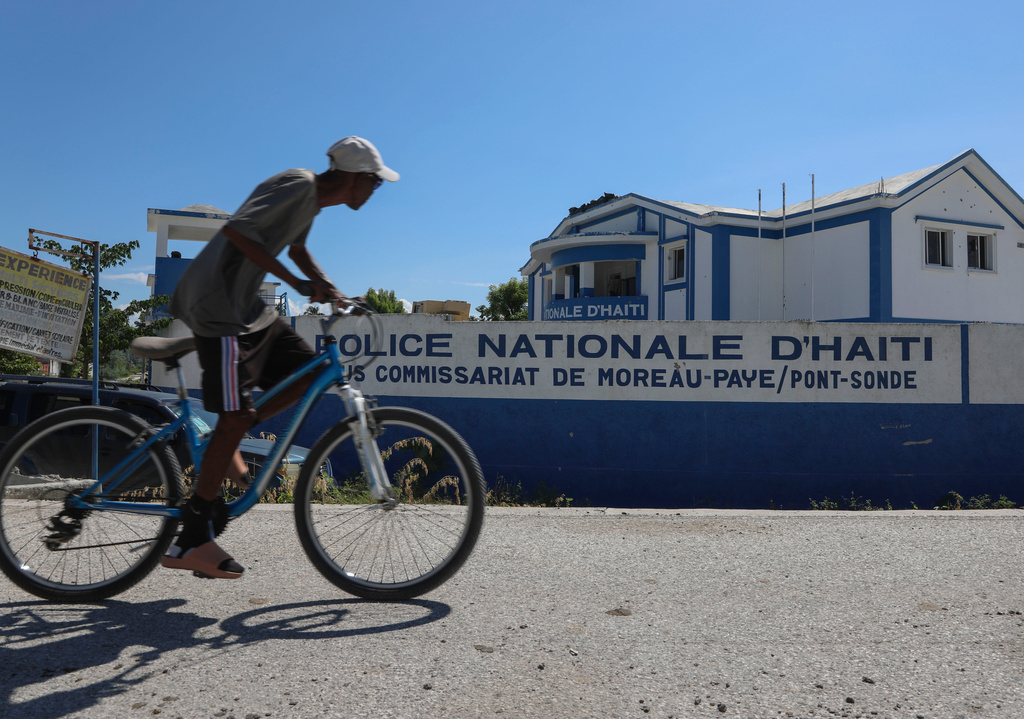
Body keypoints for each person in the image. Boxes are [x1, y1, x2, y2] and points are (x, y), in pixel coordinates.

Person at [161, 137, 399, 579]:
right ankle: (192, 537)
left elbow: (298, 249)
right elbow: (236, 230)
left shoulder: (310, 203)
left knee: (308, 375)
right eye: (374, 183)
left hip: (247, 306)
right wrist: (295, 282)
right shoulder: (296, 184)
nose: (375, 191)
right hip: (219, 305)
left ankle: (233, 433)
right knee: (233, 416)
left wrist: (329, 288)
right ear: (354, 178)